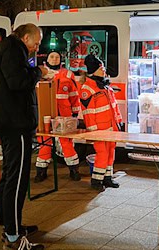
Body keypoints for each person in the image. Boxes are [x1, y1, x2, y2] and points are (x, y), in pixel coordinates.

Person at [0, 23, 48, 249]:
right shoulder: (13, 50)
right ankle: (13, 236)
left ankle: (11, 225)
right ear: (27, 37)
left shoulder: (8, 48)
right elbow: (18, 82)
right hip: (15, 124)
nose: (37, 47)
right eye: (37, 42)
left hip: (9, 122)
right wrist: (39, 72)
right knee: (17, 179)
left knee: (10, 176)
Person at [35, 51, 81, 182]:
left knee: (66, 142)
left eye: (57, 57)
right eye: (51, 57)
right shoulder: (39, 73)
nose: (54, 59)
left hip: (64, 113)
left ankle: (74, 170)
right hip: (45, 113)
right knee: (44, 141)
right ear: (47, 58)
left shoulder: (68, 74)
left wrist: (75, 113)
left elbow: (74, 95)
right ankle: (41, 171)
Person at [79, 55, 122, 191]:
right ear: (94, 70)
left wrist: (119, 122)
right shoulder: (88, 89)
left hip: (110, 128)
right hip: (99, 130)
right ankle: (97, 180)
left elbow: (114, 107)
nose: (104, 70)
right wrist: (94, 132)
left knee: (110, 153)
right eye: (101, 68)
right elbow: (88, 113)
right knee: (102, 154)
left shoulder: (105, 86)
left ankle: (107, 178)